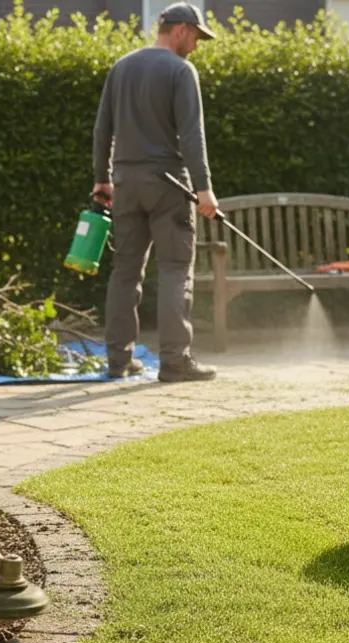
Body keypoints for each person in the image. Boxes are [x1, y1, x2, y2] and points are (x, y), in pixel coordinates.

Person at [92, 2, 219, 383]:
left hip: (126, 184)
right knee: (175, 270)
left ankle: (118, 361)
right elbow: (191, 136)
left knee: (124, 272)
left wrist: (102, 180)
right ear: (180, 30)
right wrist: (205, 189)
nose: (196, 45)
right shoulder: (181, 71)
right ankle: (175, 361)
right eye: (196, 36)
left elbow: (102, 130)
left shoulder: (122, 67)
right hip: (168, 186)